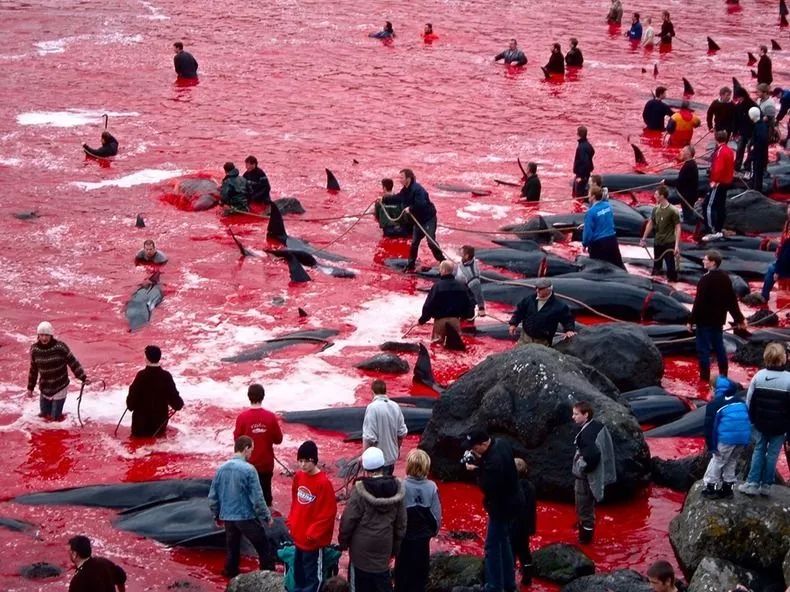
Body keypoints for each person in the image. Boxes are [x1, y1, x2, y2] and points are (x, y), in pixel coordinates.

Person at [338, 446, 406, 592]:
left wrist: (343, 542)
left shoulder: (359, 491)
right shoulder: (396, 489)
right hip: (384, 550)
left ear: (365, 468)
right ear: (382, 466)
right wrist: (395, 549)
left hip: (360, 552)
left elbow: (348, 520)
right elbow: (401, 524)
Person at [208, 436, 274, 578]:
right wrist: (266, 516)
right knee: (264, 547)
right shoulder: (249, 470)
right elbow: (257, 498)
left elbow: (212, 497)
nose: (252, 454)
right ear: (246, 449)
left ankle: (230, 577)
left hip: (228, 518)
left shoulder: (221, 469)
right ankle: (268, 578)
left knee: (232, 550)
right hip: (245, 516)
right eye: (251, 450)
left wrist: (216, 515)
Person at [464, 428, 521, 592]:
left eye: (474, 448)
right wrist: (480, 464)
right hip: (513, 501)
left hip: (501, 507)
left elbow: (487, 486)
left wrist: (476, 470)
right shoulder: (502, 444)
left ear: (483, 444)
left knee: (492, 546)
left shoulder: (493, 462)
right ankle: (509, 583)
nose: (473, 451)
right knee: (504, 542)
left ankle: (494, 586)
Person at [739, 343, 790, 496]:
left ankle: (752, 483)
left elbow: (749, 400)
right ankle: (767, 485)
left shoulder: (758, 376)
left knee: (759, 450)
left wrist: (750, 420)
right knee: (773, 454)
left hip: (760, 424)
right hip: (780, 426)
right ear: (784, 359)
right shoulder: (789, 379)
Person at [287, 440, 337, 592]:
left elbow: (328, 513)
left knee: (313, 577)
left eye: (306, 461)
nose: (302, 465)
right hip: (298, 536)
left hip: (312, 542)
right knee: (299, 573)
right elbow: (295, 501)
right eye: (300, 461)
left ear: (314, 461)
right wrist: (291, 522)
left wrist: (313, 534)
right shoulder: (298, 477)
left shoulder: (323, 483)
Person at [688, 250, 746, 381]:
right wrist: (739, 319)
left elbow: (698, 302)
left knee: (703, 351)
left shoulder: (705, 280)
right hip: (718, 321)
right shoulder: (725, 278)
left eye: (705, 259)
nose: (703, 261)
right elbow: (731, 301)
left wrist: (690, 321)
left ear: (713, 262)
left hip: (704, 322)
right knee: (720, 348)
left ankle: (704, 378)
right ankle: (724, 374)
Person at [393, 449, 441, 592]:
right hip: (422, 540)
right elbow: (437, 517)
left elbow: (395, 515)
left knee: (401, 577)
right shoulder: (432, 487)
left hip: (404, 539)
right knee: (420, 578)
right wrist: (433, 532)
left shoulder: (400, 485)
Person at [571, 401, 616, 544]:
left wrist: (581, 466)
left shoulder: (586, 436)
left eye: (576, 414)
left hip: (584, 480)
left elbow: (593, 456)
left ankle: (585, 542)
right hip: (596, 476)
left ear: (586, 415)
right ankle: (585, 530)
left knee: (584, 510)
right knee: (588, 508)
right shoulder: (598, 426)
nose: (573, 417)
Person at [26, 321, 88, 421]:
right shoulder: (35, 350)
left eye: (47, 335)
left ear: (51, 335)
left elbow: (73, 362)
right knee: (44, 416)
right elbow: (33, 370)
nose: (44, 338)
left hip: (60, 385)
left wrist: (83, 377)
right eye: (42, 335)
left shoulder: (60, 347)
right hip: (45, 387)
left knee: (55, 419)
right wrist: (30, 388)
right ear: (38, 335)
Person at [233, 384, 283, 508]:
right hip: (266, 464)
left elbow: (237, 441)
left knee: (247, 498)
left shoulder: (242, 417)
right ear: (263, 397)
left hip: (247, 465)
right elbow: (278, 439)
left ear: (249, 397)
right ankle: (268, 523)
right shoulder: (270, 417)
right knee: (266, 497)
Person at [701, 375, 751, 498]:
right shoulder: (740, 401)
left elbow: (709, 427)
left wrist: (711, 446)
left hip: (727, 439)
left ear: (714, 389)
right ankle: (727, 488)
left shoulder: (714, 404)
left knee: (717, 460)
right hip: (743, 438)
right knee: (732, 460)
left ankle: (710, 487)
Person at [126, 345, 183, 438]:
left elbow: (130, 405)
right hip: (158, 427)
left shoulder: (141, 376)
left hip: (140, 427)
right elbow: (178, 404)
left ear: (146, 358)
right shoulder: (166, 376)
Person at [393, 168, 445, 271]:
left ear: (408, 178)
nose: (400, 180)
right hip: (418, 221)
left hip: (428, 219)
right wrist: (384, 199)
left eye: (401, 177)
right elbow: (398, 198)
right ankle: (410, 265)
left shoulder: (418, 189)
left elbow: (421, 204)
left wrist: (410, 208)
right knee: (414, 243)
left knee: (430, 242)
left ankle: (443, 261)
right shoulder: (405, 190)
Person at [418, 260, 475, 344]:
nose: (439, 271)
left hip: (440, 322)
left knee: (437, 347)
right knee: (455, 348)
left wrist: (422, 320)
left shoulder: (437, 286)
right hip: (455, 321)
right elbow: (470, 303)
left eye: (440, 269)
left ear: (444, 270)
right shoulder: (462, 286)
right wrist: (467, 316)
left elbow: (429, 305)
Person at [508, 277, 576, 346]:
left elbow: (567, 319)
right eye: (536, 288)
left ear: (549, 289)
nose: (537, 290)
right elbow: (519, 311)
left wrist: (569, 330)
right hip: (525, 337)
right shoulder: (529, 300)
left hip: (543, 341)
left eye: (540, 289)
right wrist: (513, 324)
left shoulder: (559, 306)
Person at [362, 380, 408, 476]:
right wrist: (397, 449)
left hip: (376, 462)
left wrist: (364, 457)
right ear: (385, 391)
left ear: (372, 392)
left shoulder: (372, 408)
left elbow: (369, 437)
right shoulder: (395, 406)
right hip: (391, 458)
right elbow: (402, 433)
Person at [640, 186, 681, 282]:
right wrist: (643, 238)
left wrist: (676, 246)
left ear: (662, 196)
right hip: (658, 242)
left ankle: (672, 283)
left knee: (671, 268)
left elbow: (678, 228)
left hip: (669, 243)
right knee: (656, 267)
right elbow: (650, 223)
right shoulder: (655, 209)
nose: (654, 195)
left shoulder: (673, 211)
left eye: (656, 194)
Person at [702, 131, 735, 240]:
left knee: (708, 205)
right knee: (720, 206)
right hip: (726, 182)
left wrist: (714, 181)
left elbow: (718, 168)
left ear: (716, 139)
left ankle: (711, 230)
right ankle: (719, 229)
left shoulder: (720, 151)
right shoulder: (729, 151)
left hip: (719, 183)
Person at [582, 187, 625, 268]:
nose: (587, 196)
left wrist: (585, 244)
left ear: (593, 197)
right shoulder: (608, 206)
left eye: (589, 194)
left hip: (599, 244)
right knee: (619, 266)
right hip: (612, 240)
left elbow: (588, 233)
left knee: (598, 270)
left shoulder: (590, 212)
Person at [509, 458, 537, 586]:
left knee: (511, 553)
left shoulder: (511, 487)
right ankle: (527, 578)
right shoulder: (530, 487)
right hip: (525, 526)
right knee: (525, 552)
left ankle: (510, 579)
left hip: (513, 526)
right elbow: (532, 509)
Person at [759, 208, 790, 302]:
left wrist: (777, 270)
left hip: (787, 263)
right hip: (785, 257)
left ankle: (764, 297)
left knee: (771, 269)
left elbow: (785, 256)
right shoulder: (787, 224)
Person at [456, 245, 486, 317]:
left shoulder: (472, 276)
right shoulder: (470, 261)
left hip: (466, 305)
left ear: (466, 256)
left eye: (461, 252)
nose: (459, 252)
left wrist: (481, 308)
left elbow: (478, 293)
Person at [733, 87, 758, 170]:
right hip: (742, 132)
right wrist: (735, 132)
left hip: (751, 132)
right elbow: (736, 120)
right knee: (740, 149)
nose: (737, 99)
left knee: (750, 150)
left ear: (742, 96)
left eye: (738, 97)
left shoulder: (753, 105)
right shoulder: (738, 106)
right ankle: (737, 166)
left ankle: (748, 167)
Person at [676, 144, 700, 223]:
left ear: (688, 154)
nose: (681, 152)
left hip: (687, 196)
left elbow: (680, 181)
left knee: (688, 218)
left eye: (683, 151)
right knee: (687, 213)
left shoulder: (688, 166)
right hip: (690, 194)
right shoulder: (691, 163)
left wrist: (666, 182)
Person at [747, 106, 769, 191]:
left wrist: (753, 152)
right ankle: (755, 188)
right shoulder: (761, 125)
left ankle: (756, 191)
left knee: (757, 174)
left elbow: (760, 141)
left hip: (758, 155)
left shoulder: (759, 127)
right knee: (757, 173)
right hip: (760, 154)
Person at [573, 126, 595, 197]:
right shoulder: (588, 145)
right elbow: (592, 151)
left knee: (579, 195)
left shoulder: (581, 147)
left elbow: (584, 162)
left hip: (581, 175)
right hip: (586, 174)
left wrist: (581, 177)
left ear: (578, 134)